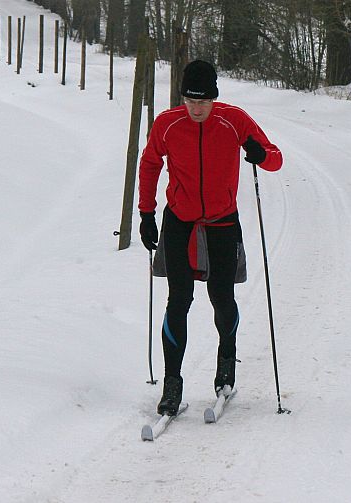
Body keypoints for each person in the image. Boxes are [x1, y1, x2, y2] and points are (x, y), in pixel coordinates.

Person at [138, 60, 283, 415]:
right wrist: (146, 213)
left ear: (213, 99)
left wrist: (260, 154)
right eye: (190, 101)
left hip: (222, 223)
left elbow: (275, 159)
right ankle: (172, 384)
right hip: (180, 224)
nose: (197, 109)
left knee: (221, 296)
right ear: (183, 98)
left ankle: (226, 364)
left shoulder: (233, 120)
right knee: (178, 300)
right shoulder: (168, 124)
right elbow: (150, 163)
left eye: (203, 102)